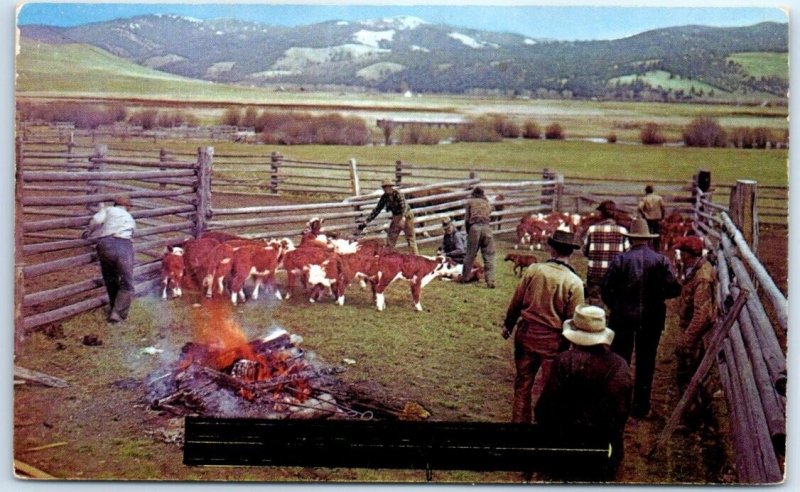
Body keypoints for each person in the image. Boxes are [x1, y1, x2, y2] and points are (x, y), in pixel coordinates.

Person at [535, 304, 632, 481]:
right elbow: (622, 412)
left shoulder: (563, 361)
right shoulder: (620, 366)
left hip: (566, 447)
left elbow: (546, 407)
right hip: (605, 450)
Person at [601, 217, 681, 419]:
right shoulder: (661, 260)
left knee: (620, 360)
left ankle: (619, 404)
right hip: (652, 318)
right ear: (647, 239)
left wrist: (618, 305)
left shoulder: (620, 260)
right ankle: (641, 407)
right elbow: (674, 288)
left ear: (630, 239)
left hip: (622, 317)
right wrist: (657, 296)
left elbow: (606, 290)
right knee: (646, 362)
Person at [502, 230, 585, 424]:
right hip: (553, 342)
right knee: (550, 389)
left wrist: (508, 324)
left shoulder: (534, 270)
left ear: (551, 248)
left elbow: (517, 300)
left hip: (526, 334)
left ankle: (519, 427)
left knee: (523, 383)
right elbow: (574, 320)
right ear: (571, 252)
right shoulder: (575, 282)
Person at [675, 236, 718, 422]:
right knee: (691, 375)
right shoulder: (696, 270)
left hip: (698, 337)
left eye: (682, 252)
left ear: (688, 254)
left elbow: (703, 314)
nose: (679, 255)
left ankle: (693, 418)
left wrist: (687, 338)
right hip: (694, 333)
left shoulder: (702, 277)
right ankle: (693, 415)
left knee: (691, 376)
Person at [83, 195, 136, 323]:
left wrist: (88, 232)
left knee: (110, 278)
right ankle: (117, 314)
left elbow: (95, 221)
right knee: (127, 283)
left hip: (105, 244)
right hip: (124, 245)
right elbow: (132, 234)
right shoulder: (130, 218)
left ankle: (114, 307)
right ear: (127, 207)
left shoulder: (108, 210)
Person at [582, 200, 629, 308]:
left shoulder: (592, 230)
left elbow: (585, 251)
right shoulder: (623, 231)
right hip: (615, 275)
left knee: (595, 302)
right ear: (614, 214)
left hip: (595, 274)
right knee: (615, 304)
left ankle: (596, 321)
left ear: (601, 214)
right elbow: (626, 254)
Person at [358, 179, 418, 255]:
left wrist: (403, 218)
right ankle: (389, 257)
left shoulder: (398, 194)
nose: (386, 189)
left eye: (388, 187)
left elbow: (404, 207)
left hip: (406, 216)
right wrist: (367, 221)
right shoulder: (384, 197)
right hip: (396, 216)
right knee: (391, 237)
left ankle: (415, 257)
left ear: (391, 187)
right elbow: (377, 210)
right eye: (385, 187)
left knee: (410, 238)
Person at [461, 187, 496, 288]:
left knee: (470, 255)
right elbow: (491, 213)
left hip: (474, 228)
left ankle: (465, 278)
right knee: (489, 256)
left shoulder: (470, 202)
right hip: (487, 228)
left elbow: (467, 220)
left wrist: (469, 231)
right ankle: (490, 281)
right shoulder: (487, 203)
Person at [638, 185, 666, 250]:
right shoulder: (659, 198)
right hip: (657, 218)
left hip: (648, 218)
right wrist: (663, 216)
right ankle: (656, 247)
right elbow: (663, 208)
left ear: (646, 191)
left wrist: (644, 214)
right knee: (657, 232)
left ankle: (648, 247)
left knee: (648, 233)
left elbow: (639, 207)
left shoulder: (645, 199)